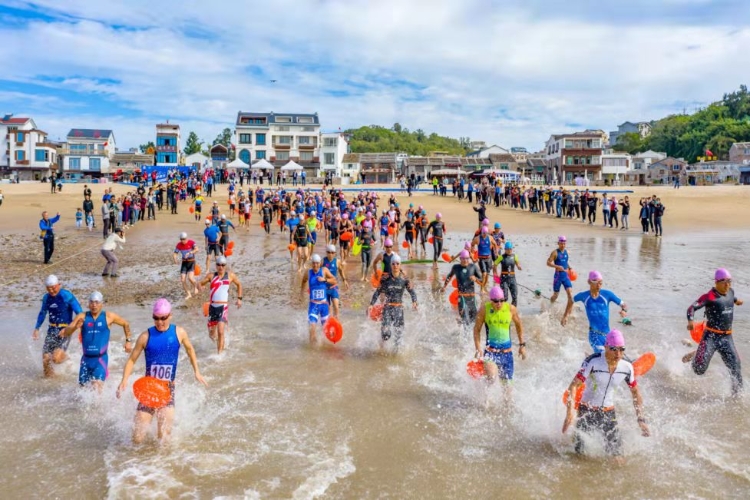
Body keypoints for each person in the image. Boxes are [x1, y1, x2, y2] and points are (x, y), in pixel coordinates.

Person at [116, 298, 208, 444]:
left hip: (167, 389)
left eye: (163, 318)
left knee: (164, 437)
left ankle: (161, 464)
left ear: (170, 315)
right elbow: (132, 359)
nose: (160, 322)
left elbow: (190, 350)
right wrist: (124, 380)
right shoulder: (145, 336)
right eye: (156, 318)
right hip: (148, 390)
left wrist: (197, 371)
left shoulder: (179, 332)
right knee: (137, 438)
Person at [562, 329, 650, 460]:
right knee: (579, 456)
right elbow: (574, 385)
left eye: (622, 349)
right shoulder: (592, 361)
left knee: (618, 457)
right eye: (614, 349)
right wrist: (569, 412)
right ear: (606, 346)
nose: (618, 354)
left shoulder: (626, 367)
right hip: (586, 411)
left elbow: (635, 392)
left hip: (608, 414)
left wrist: (641, 419)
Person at [683, 268, 743, 395]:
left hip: (727, 338)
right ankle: (696, 354)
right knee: (699, 369)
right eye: (724, 281)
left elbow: (731, 297)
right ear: (716, 282)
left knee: (736, 366)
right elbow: (691, 308)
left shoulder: (730, 292)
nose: (727, 284)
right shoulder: (709, 297)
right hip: (710, 336)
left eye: (729, 281)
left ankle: (737, 397)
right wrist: (690, 322)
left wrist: (737, 301)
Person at [60, 291, 132, 392]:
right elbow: (66, 332)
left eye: (97, 302)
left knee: (96, 387)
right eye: (92, 302)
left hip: (100, 359)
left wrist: (128, 341)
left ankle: (100, 407)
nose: (94, 305)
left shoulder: (108, 316)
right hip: (85, 360)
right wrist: (76, 327)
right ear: (88, 303)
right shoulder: (82, 316)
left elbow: (125, 323)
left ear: (102, 303)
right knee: (82, 391)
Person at [561, 270, 628, 353]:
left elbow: (623, 304)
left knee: (614, 354)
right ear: (589, 282)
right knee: (603, 355)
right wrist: (566, 315)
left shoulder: (607, 295)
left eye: (600, 283)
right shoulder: (584, 296)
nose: (598, 285)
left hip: (607, 335)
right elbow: (571, 300)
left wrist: (623, 311)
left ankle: (590, 358)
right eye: (596, 282)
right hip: (594, 334)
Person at [32, 275, 83, 377]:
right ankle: (49, 382)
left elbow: (80, 313)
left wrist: (77, 326)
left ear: (59, 285)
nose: (51, 290)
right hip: (52, 329)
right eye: (48, 288)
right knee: (46, 359)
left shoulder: (66, 296)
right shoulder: (46, 298)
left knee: (56, 359)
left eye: (54, 287)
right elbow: (42, 313)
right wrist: (37, 328)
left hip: (65, 330)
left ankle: (68, 359)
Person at [368, 255, 418, 351]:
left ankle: (395, 356)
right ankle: (381, 347)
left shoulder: (404, 279)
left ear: (400, 265)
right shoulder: (385, 278)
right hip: (387, 308)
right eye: (393, 263)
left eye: (397, 263)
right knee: (386, 333)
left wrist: (414, 301)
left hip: (399, 309)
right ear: (391, 265)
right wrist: (371, 304)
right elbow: (378, 291)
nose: (395, 265)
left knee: (398, 338)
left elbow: (412, 291)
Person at [198, 256, 242, 354]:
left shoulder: (230, 276)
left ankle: (219, 355)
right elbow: (200, 283)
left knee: (221, 331)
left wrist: (239, 299)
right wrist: (200, 287)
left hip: (223, 307)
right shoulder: (211, 276)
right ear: (216, 265)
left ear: (225, 266)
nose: (220, 267)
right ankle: (221, 343)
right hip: (212, 307)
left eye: (222, 265)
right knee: (212, 335)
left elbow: (239, 285)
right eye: (218, 265)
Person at [300, 254, 337, 343]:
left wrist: (325, 280)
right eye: (313, 263)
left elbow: (334, 280)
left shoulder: (324, 271)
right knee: (312, 329)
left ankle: (328, 347)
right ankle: (312, 350)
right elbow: (303, 281)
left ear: (320, 263)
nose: (315, 265)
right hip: (313, 305)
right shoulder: (308, 273)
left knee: (327, 330)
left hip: (324, 306)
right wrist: (301, 293)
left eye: (317, 263)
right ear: (311, 264)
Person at [442, 250, 483, 327]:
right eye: (463, 258)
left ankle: (469, 335)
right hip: (462, 297)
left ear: (469, 258)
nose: (465, 260)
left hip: (472, 297)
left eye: (467, 258)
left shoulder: (473, 267)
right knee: (465, 319)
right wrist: (444, 287)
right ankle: (464, 335)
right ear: (460, 259)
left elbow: (482, 281)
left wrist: (476, 279)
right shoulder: (456, 267)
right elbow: (449, 276)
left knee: (473, 320)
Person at [547, 235, 574, 306]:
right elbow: (548, 263)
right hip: (558, 276)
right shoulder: (555, 253)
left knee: (570, 294)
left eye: (564, 243)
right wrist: (557, 266)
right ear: (558, 243)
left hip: (565, 276)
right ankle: (550, 305)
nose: (563, 245)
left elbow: (565, 262)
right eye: (561, 243)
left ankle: (569, 312)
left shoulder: (567, 252)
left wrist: (570, 267)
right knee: (555, 295)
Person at [323, 244, 349, 318]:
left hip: (334, 287)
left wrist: (345, 281)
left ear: (334, 253)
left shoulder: (337, 261)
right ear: (326, 252)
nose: (330, 254)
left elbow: (341, 271)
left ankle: (336, 321)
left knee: (336, 306)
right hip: (325, 288)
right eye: (328, 252)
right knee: (327, 309)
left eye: (332, 252)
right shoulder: (323, 261)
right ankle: (328, 323)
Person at [493, 242, 522, 306]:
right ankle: (503, 310)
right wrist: (496, 277)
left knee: (515, 296)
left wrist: (519, 266)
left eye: (510, 249)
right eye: (507, 249)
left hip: (512, 278)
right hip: (503, 279)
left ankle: (513, 311)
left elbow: (518, 263)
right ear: (505, 249)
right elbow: (494, 265)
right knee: (505, 297)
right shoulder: (501, 257)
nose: (509, 251)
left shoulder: (514, 256)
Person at [173, 232, 198, 299]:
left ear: (186, 238)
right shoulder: (179, 245)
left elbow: (196, 249)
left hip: (191, 262)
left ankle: (196, 286)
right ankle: (189, 294)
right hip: (184, 263)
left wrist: (190, 252)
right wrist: (175, 259)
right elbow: (175, 253)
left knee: (190, 278)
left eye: (183, 239)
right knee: (182, 279)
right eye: (181, 239)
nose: (182, 241)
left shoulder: (191, 242)